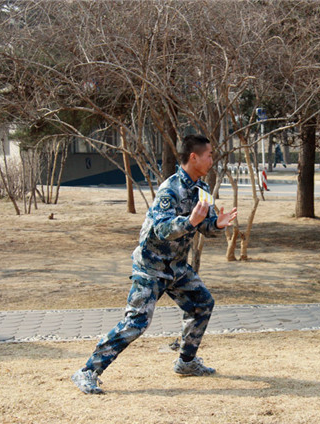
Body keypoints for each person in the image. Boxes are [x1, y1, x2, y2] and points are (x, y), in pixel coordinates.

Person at [71, 134, 237, 394]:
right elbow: (161, 229)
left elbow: (204, 225)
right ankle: (87, 371)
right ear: (193, 157)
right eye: (209, 155)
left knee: (202, 303)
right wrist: (190, 222)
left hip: (177, 267)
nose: (212, 160)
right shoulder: (169, 190)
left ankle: (186, 362)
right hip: (151, 266)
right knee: (136, 321)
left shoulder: (202, 189)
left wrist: (216, 224)